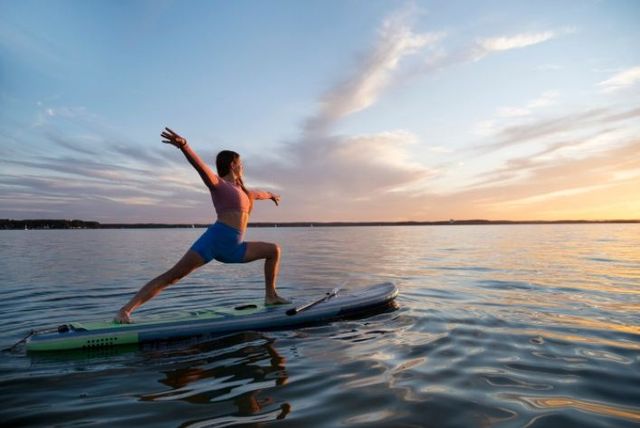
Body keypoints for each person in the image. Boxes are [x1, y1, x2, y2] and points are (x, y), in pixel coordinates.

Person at [114, 127, 289, 324]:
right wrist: (184, 146)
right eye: (241, 164)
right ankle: (125, 310)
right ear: (233, 165)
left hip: (234, 248)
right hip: (213, 241)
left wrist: (273, 195)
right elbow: (200, 168)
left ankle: (271, 296)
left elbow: (261, 193)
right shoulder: (219, 184)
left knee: (274, 250)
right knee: (173, 276)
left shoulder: (246, 192)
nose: (243, 167)